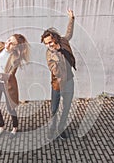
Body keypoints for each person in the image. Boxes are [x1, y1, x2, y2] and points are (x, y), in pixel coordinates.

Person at [0, 34, 30, 139]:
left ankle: (15, 127)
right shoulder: (0, 46)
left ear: (16, 47)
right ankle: (1, 126)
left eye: (12, 43)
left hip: (7, 85)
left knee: (10, 108)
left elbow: (11, 74)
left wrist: (1, 75)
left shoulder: (15, 58)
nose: (8, 43)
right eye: (8, 40)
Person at [41, 9, 76, 140]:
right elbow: (55, 70)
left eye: (50, 42)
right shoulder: (49, 54)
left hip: (70, 81)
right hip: (57, 84)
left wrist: (71, 19)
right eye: (46, 43)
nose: (48, 45)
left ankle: (61, 128)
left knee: (66, 108)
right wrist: (56, 52)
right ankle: (52, 128)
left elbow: (69, 33)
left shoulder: (63, 41)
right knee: (54, 109)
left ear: (55, 39)